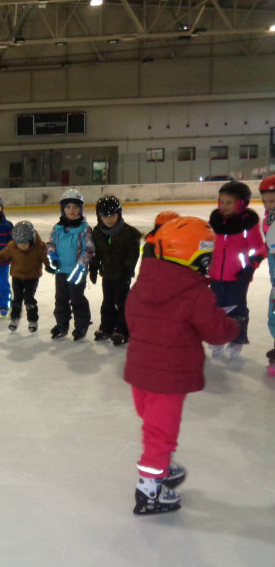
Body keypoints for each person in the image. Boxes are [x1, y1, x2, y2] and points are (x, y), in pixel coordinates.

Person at [125, 217, 238, 515]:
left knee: (153, 424)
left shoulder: (143, 283)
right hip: (169, 378)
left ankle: (160, 465)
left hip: (140, 372)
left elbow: (131, 317)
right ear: (196, 256)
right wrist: (233, 326)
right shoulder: (195, 292)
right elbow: (215, 330)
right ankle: (149, 489)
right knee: (160, 433)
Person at [206, 181, 266, 359]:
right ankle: (217, 338)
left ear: (241, 204)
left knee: (236, 308)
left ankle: (236, 340)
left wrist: (250, 267)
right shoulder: (216, 219)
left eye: (229, 203)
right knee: (216, 308)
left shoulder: (247, 222)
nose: (224, 206)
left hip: (238, 276)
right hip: (216, 274)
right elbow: (207, 242)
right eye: (222, 202)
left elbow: (259, 248)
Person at [89, 196, 141, 346]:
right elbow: (96, 253)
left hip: (122, 275)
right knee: (107, 302)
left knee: (122, 303)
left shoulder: (129, 233)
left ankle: (122, 330)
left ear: (119, 214)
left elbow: (133, 254)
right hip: (107, 274)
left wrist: (128, 269)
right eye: (105, 216)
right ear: (99, 217)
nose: (109, 219)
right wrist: (93, 268)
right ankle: (107, 327)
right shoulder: (97, 232)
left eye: (113, 215)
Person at [46, 189, 95, 341]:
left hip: (77, 272)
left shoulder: (84, 229)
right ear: (63, 209)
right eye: (68, 207)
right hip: (61, 270)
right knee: (60, 299)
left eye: (75, 207)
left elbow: (89, 250)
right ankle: (62, 324)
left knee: (77, 299)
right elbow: (51, 244)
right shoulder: (57, 228)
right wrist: (52, 255)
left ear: (81, 209)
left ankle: (81, 324)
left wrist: (80, 266)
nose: (72, 210)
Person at [0, 220, 49, 332]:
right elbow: (4, 254)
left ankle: (33, 320)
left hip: (32, 277)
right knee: (17, 299)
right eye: (19, 244)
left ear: (31, 240)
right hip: (17, 276)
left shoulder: (39, 247)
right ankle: (14, 318)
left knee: (29, 299)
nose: (22, 246)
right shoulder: (13, 246)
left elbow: (45, 258)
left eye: (25, 244)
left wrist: (49, 267)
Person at [258, 176, 275, 376]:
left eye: (272, 201)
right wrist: (258, 255)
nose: (268, 205)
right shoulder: (268, 219)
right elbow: (269, 245)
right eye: (265, 201)